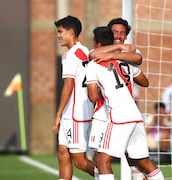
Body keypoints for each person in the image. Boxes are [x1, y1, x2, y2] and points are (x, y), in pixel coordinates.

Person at [86, 26, 164, 180]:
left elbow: (93, 97)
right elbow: (145, 81)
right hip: (136, 115)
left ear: (96, 42)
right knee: (143, 161)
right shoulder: (125, 61)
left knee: (102, 160)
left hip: (118, 116)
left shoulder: (93, 64)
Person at [90, 18, 146, 179]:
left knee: (120, 157)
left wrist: (113, 54)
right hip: (102, 112)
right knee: (99, 156)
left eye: (122, 33)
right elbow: (93, 54)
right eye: (115, 32)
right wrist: (117, 50)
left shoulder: (127, 56)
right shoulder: (99, 53)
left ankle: (138, 176)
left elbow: (138, 59)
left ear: (126, 36)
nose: (119, 35)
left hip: (119, 112)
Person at [51, 15, 96, 179]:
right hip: (75, 111)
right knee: (62, 153)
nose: (58, 35)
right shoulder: (84, 50)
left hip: (75, 114)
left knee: (80, 161)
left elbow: (68, 86)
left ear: (71, 32)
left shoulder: (71, 55)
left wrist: (58, 115)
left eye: (60, 31)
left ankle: (107, 176)